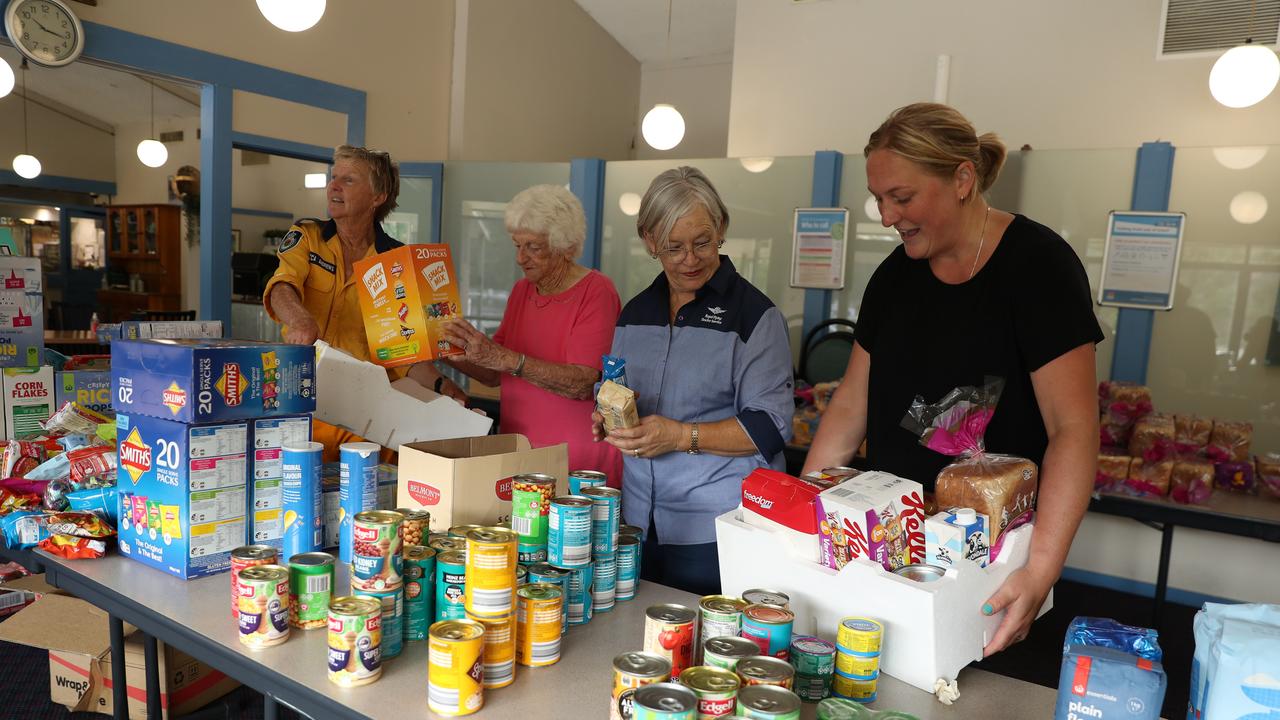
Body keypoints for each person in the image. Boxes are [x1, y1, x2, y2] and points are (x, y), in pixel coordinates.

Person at [802, 103, 1103, 656]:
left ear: (962, 178)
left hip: (991, 563)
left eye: (902, 197)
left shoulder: (1039, 268)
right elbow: (851, 406)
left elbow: (1075, 429)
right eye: (879, 199)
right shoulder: (894, 278)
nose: (887, 216)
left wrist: (1040, 571)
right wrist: (807, 513)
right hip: (889, 544)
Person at [592, 166, 794, 596]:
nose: (690, 259)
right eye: (673, 247)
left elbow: (771, 427)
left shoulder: (755, 317)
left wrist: (680, 435)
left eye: (702, 242)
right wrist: (607, 418)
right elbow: (617, 389)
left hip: (715, 529)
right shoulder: (634, 314)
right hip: (637, 522)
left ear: (721, 228)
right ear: (649, 240)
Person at [264, 145, 465, 460]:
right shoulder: (307, 235)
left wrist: (443, 386)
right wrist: (300, 320)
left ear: (377, 196)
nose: (334, 186)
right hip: (296, 403)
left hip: (361, 417)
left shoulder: (396, 262)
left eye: (349, 179)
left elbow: (403, 353)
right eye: (334, 178)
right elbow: (281, 287)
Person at [442, 185, 623, 485]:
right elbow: (493, 373)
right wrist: (443, 349)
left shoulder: (597, 291)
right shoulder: (522, 290)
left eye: (533, 247)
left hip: (576, 461)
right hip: (521, 453)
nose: (520, 258)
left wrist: (505, 358)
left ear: (563, 246)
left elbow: (582, 382)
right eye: (517, 245)